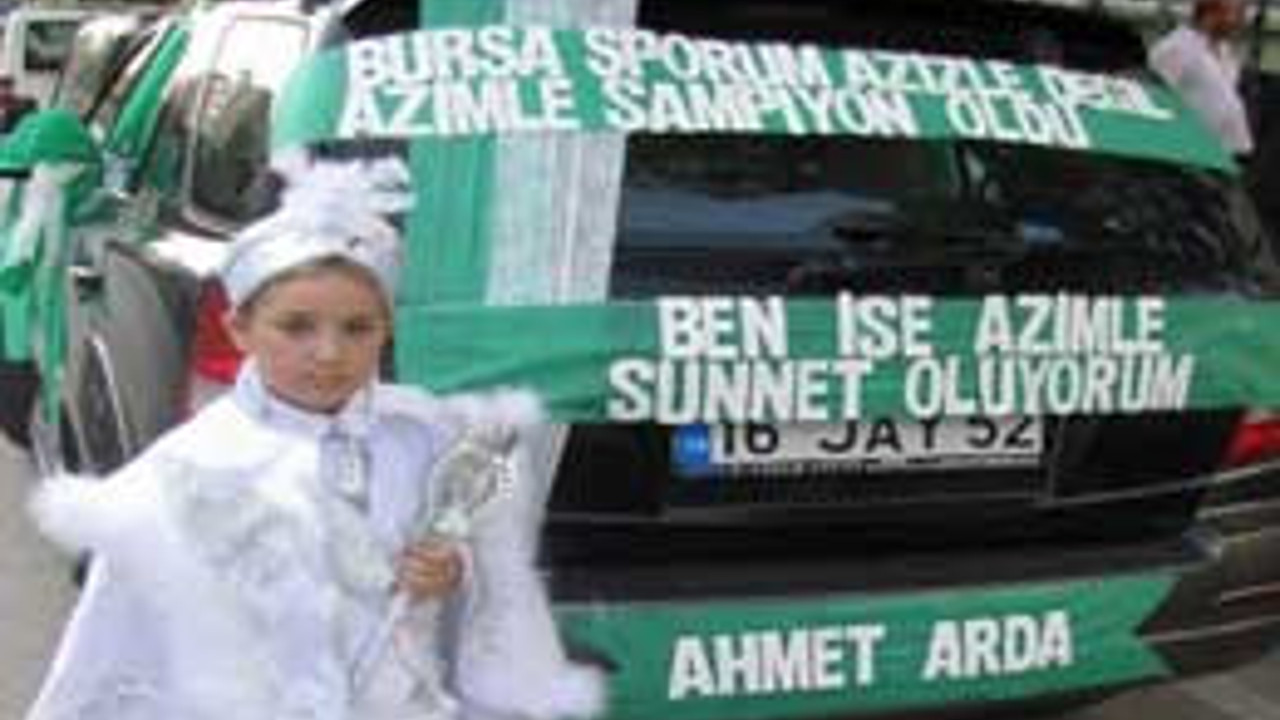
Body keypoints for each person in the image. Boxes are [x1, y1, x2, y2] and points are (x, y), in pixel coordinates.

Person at [23, 158, 604, 720]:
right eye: (296, 326)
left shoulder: (428, 437)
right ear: (240, 328)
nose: (328, 353)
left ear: (386, 330)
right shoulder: (188, 471)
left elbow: (490, 585)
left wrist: (453, 575)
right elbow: (120, 646)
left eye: (357, 328)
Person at [1148, 0, 1255, 159]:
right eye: (1237, 14)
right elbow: (1156, 99)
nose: (1242, 21)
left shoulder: (1224, 50)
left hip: (1228, 151)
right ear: (1210, 15)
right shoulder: (1176, 48)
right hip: (1191, 152)